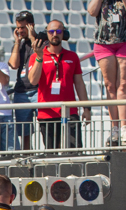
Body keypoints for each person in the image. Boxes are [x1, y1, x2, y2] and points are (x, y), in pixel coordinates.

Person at [27, 20, 91, 150]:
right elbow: (33, 80)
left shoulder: (72, 56)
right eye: (51, 31)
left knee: (75, 151)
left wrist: (86, 108)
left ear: (64, 34)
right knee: (51, 153)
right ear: (46, 34)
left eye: (58, 31)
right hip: (47, 113)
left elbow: (79, 84)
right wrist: (39, 57)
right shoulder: (36, 56)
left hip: (70, 111)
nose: (55, 34)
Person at [88, 0, 126, 145]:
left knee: (123, 84)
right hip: (103, 42)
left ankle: (124, 127)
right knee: (110, 85)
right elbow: (92, 11)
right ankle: (114, 127)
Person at [8, 11, 39, 151]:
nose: (20, 31)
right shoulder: (18, 45)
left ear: (31, 25)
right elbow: (13, 64)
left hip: (38, 89)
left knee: (45, 126)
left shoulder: (42, 41)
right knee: (25, 132)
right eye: (18, 28)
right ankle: (27, 155)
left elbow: (40, 55)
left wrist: (33, 38)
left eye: (23, 27)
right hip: (22, 91)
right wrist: (16, 42)